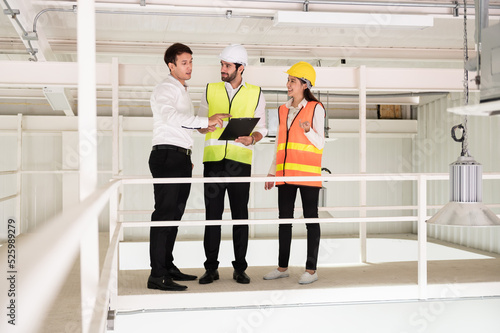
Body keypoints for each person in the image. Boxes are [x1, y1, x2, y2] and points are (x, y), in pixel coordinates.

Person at [148, 43, 230, 291]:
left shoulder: (181, 90)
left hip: (180, 157)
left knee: (174, 215)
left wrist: (201, 128)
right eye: (184, 62)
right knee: (164, 216)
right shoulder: (166, 88)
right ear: (171, 66)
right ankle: (157, 275)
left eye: (191, 61)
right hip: (167, 156)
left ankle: (167, 266)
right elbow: (170, 117)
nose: (189, 66)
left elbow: (181, 124)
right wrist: (204, 120)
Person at [197, 44, 268, 285]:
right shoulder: (210, 89)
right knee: (212, 217)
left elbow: (263, 129)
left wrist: (252, 139)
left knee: (240, 217)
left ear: (241, 68)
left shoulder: (256, 93)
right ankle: (211, 268)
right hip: (214, 162)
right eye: (222, 65)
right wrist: (206, 124)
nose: (223, 69)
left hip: (240, 162)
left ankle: (240, 268)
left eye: (227, 65)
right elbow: (199, 123)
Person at [263, 61, 325, 285]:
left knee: (311, 221)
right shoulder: (282, 109)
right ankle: (282, 267)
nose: (288, 84)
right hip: (286, 175)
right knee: (284, 221)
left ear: (305, 85)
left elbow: (320, 143)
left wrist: (308, 131)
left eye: (292, 80)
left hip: (308, 175)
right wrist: (272, 172)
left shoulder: (316, 108)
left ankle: (311, 270)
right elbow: (279, 143)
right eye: (288, 80)